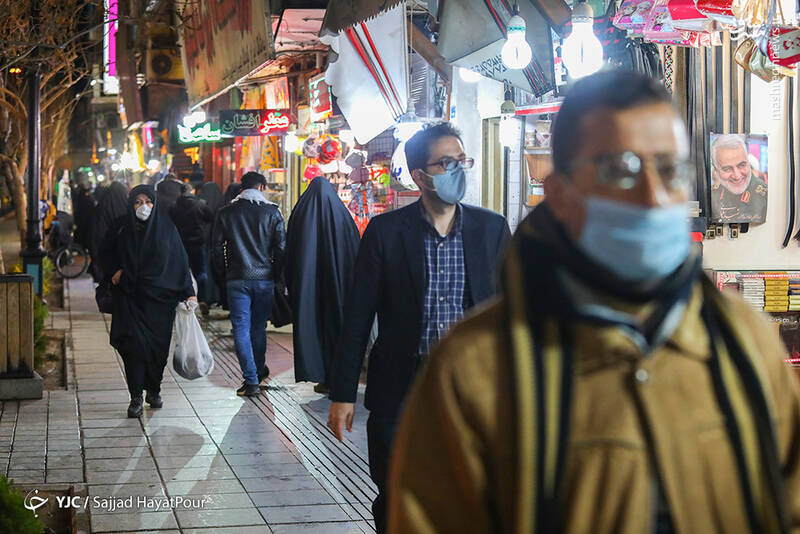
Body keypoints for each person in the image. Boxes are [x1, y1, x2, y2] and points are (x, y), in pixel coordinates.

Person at [387, 71, 800, 533]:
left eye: (669, 170)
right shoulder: (476, 370)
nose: (653, 195)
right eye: (619, 170)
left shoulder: (742, 342)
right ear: (560, 194)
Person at [327, 122, 511, 534]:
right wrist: (342, 394)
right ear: (420, 176)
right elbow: (358, 315)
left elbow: (512, 311)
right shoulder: (386, 233)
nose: (457, 170)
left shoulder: (491, 229)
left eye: (462, 161)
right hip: (400, 387)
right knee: (396, 492)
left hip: (471, 389)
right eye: (446, 163)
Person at [99, 185, 195, 418]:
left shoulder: (167, 229)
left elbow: (180, 262)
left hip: (160, 301)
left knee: (156, 351)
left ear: (155, 203)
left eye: (148, 201)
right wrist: (114, 271)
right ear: (131, 205)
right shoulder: (121, 227)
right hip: (129, 297)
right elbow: (104, 252)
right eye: (138, 202)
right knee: (132, 348)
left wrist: (188, 292)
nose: (144, 207)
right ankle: (135, 397)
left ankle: (154, 389)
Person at [211, 172, 286, 397]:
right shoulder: (272, 212)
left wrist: (222, 276)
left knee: (241, 328)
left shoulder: (226, 213)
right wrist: (276, 275)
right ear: (261, 187)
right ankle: (259, 369)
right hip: (264, 279)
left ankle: (251, 379)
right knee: (258, 327)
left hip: (236, 278)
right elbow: (281, 248)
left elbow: (216, 249)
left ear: (241, 188)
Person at [285, 175, 360, 392]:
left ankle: (320, 374)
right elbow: (354, 250)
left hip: (308, 286)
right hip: (339, 285)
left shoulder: (301, 213)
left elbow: (290, 250)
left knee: (313, 327)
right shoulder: (342, 215)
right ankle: (339, 377)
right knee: (337, 326)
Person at [170, 183, 214, 310]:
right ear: (192, 191)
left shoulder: (174, 207)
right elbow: (210, 218)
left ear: (180, 192)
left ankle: (183, 298)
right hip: (198, 243)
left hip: (180, 244)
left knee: (181, 271)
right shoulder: (201, 204)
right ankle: (203, 298)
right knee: (201, 272)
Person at [710, 134, 767, 223]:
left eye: (742, 165)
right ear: (716, 169)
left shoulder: (765, 195)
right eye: (727, 169)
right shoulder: (710, 195)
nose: (737, 176)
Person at [90, 181, 128, 282]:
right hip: (122, 261)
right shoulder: (126, 208)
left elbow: (97, 233)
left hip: (105, 256)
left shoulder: (101, 208)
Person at [198, 182, 224, 308]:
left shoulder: (201, 205)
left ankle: (205, 296)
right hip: (217, 245)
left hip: (203, 243)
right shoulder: (222, 207)